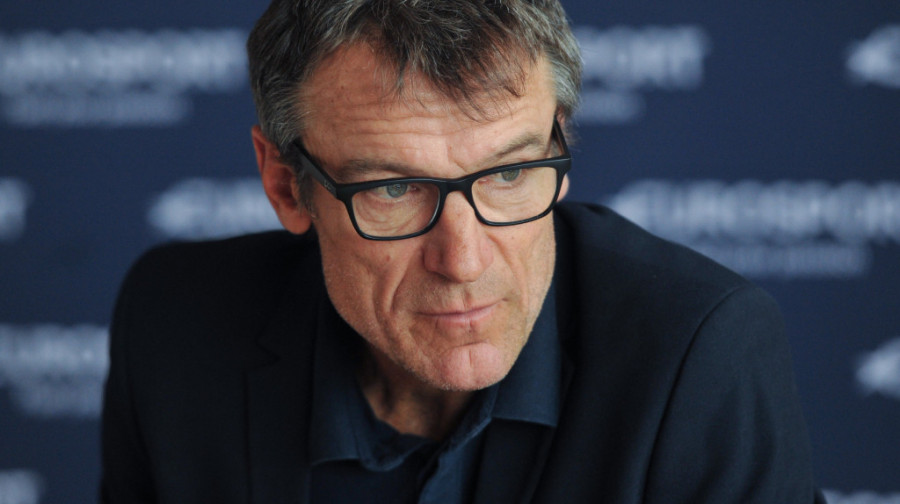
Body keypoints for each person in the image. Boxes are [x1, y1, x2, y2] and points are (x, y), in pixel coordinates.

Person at [100, 0, 824, 502]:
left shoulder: (700, 354)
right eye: (393, 189)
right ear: (287, 186)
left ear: (560, 144)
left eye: (509, 174)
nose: (464, 260)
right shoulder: (174, 326)